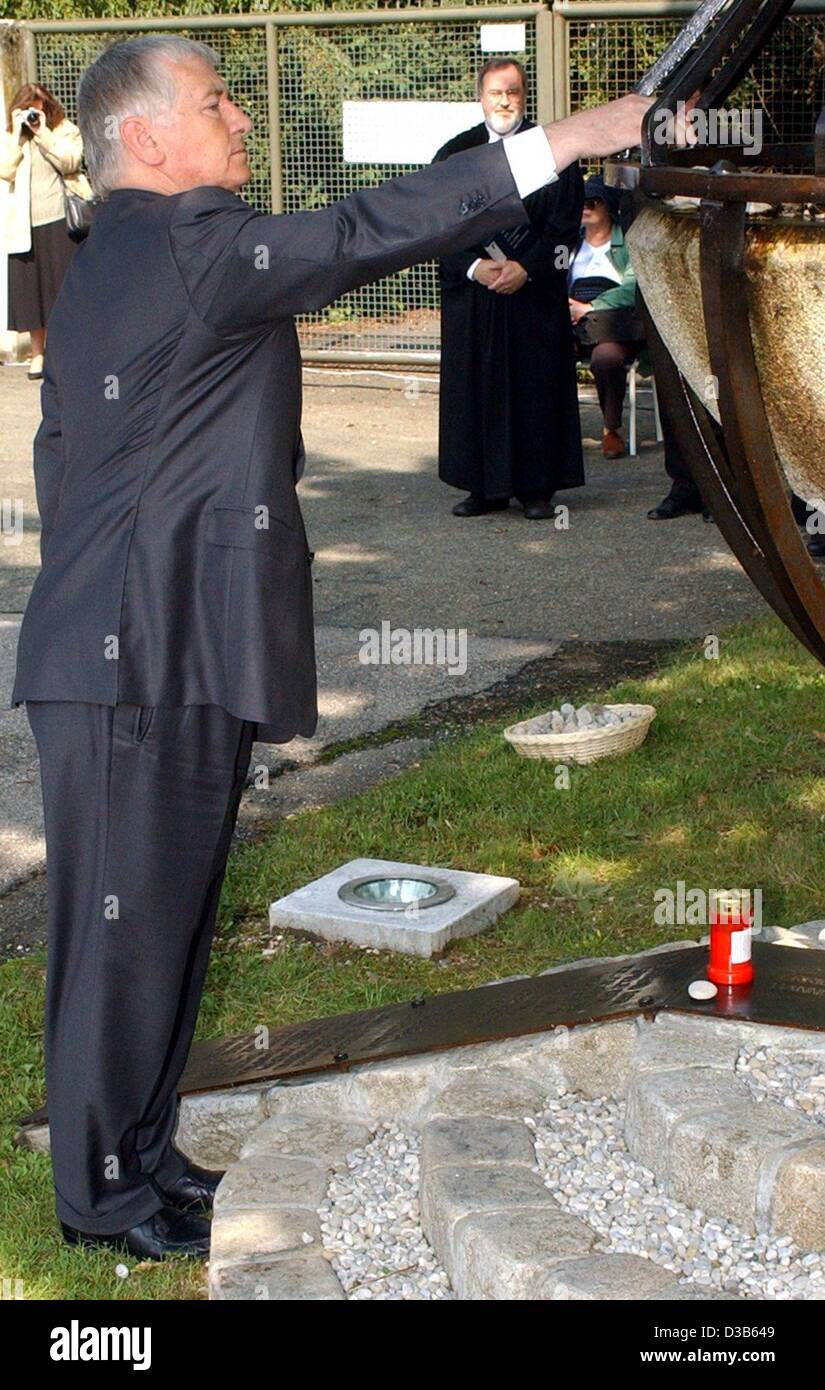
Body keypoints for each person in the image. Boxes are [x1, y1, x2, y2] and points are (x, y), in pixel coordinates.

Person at [9, 32, 654, 1260]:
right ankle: (100, 1197)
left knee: (169, 923)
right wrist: (562, 142)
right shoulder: (186, 242)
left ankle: (143, 1156)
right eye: (215, 103)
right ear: (145, 138)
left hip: (158, 642)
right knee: (121, 938)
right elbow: (367, 229)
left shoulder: (131, 254)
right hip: (130, 656)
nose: (242, 118)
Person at [433, 59, 584, 520]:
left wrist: (530, 268)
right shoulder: (455, 155)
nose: (505, 101)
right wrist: (474, 266)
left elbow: (565, 227)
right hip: (475, 295)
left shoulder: (552, 151)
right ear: (481, 97)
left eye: (514, 92)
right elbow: (438, 225)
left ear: (524, 96)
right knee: (476, 386)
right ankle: (484, 487)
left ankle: (537, 490)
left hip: (533, 296)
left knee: (536, 387)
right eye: (497, 93)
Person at [0, 84, 92, 380]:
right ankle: (37, 355)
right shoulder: (12, 136)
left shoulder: (63, 130)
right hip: (24, 225)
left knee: (63, 290)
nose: (32, 115)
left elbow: (70, 161)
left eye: (38, 108)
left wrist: (42, 132)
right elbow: (5, 169)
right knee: (31, 295)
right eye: (28, 109)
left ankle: (68, 352)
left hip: (59, 220)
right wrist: (16, 131)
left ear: (48, 106)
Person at [568, 174, 646, 460]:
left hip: (614, 324)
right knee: (543, 351)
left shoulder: (627, 243)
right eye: (581, 202)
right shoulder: (569, 244)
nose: (585, 207)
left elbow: (633, 286)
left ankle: (611, 429)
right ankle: (554, 432)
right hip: (574, 322)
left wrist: (591, 307)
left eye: (593, 202)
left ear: (609, 207)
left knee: (606, 358)